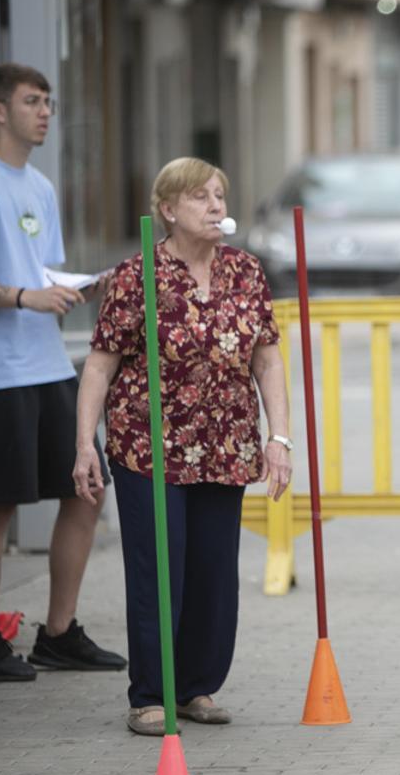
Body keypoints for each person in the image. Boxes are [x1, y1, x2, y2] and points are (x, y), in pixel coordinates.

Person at [73, 157, 291, 736]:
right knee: (158, 571)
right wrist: (84, 446)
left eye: (220, 194)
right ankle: (150, 694)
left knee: (215, 574)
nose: (216, 205)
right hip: (149, 446)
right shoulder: (134, 275)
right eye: (201, 197)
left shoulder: (246, 272)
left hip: (224, 444)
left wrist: (279, 437)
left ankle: (196, 686)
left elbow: (266, 357)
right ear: (168, 210)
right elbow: (99, 366)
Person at [0, 63, 126, 681]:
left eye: (49, 101)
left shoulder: (40, 187)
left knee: (87, 489)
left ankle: (58, 633)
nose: (45, 111)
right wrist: (23, 297)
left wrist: (83, 286)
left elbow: (43, 274)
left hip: (47, 364)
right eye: (32, 101)